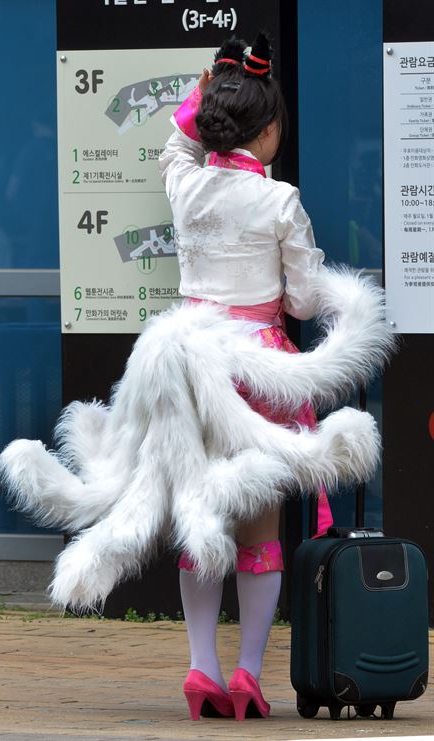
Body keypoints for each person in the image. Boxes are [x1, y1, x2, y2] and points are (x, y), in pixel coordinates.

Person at [158, 33, 333, 721]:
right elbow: (306, 301)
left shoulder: (185, 183)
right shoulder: (280, 202)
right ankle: (247, 676)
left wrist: (199, 95)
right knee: (259, 529)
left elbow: (174, 147)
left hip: (191, 361)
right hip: (258, 367)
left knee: (201, 519)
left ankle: (200, 667)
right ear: (268, 132)